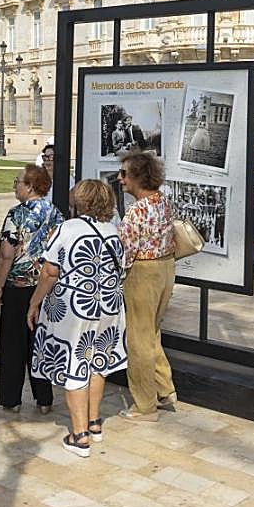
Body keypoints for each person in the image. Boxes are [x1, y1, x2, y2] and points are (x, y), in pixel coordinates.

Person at [29, 179, 127, 458]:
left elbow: (50, 272)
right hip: (108, 305)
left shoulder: (67, 229)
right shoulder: (114, 232)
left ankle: (79, 434)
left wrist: (34, 302)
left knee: (74, 363)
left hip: (75, 306)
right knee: (98, 361)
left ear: (79, 201)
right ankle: (94, 422)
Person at [0, 164, 63, 414]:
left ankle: (11, 398)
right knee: (39, 342)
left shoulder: (17, 214)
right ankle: (44, 399)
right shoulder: (55, 213)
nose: (15, 185)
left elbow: (6, 254)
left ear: (30, 186)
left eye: (18, 181)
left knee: (13, 344)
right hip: (45, 287)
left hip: (18, 286)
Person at [117, 151, 176, 422]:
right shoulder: (163, 201)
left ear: (138, 177)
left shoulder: (137, 209)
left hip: (143, 272)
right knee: (152, 331)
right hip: (165, 268)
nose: (120, 179)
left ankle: (144, 405)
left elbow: (125, 251)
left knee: (139, 339)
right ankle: (164, 390)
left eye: (124, 174)